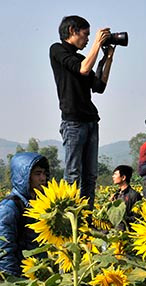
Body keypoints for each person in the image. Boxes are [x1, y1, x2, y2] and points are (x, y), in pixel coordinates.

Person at [50, 15, 116, 210]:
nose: (88, 40)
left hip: (90, 122)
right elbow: (83, 69)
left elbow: (99, 86)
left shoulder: (80, 58)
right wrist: (97, 43)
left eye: (90, 36)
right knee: (72, 174)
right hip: (73, 123)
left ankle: (86, 220)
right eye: (86, 34)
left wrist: (108, 57)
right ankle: (69, 218)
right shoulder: (57, 50)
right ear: (72, 30)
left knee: (90, 176)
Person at [0, 153, 49, 276]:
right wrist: (14, 285)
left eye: (44, 173)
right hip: (21, 280)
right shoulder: (9, 207)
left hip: (38, 276)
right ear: (24, 176)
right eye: (37, 174)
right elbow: (5, 251)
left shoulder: (40, 204)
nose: (43, 178)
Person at [110, 165, 142, 230]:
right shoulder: (116, 195)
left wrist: (122, 217)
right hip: (115, 230)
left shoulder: (134, 195)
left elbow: (137, 218)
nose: (113, 176)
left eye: (115, 174)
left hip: (127, 232)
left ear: (123, 177)